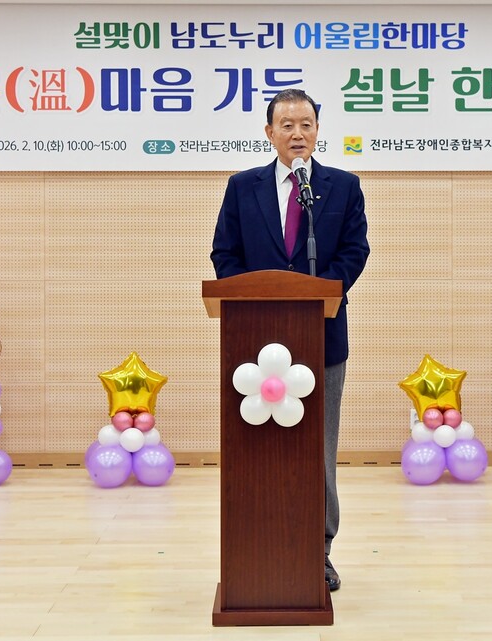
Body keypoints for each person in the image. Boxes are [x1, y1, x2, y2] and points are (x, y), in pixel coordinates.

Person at [211, 89, 369, 592]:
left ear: (318, 130)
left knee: (319, 450)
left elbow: (355, 251)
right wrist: (252, 299)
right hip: (252, 344)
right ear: (269, 132)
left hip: (322, 338)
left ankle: (318, 551)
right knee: (255, 448)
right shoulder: (243, 187)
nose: (297, 133)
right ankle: (253, 547)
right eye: (287, 125)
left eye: (306, 124)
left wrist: (320, 294)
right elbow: (224, 254)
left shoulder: (343, 186)